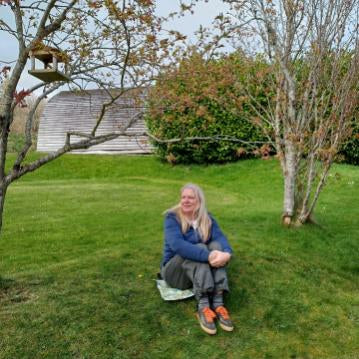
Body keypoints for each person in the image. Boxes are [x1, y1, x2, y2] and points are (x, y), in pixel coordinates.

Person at [160, 183, 234, 335]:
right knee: (200, 248)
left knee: (216, 245)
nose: (185, 200)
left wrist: (226, 254)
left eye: (191, 197)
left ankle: (218, 302)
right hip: (175, 274)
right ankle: (204, 306)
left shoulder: (207, 218)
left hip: (195, 274)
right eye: (183, 197)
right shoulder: (172, 218)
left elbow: (220, 238)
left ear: (199, 201)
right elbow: (178, 245)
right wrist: (208, 256)